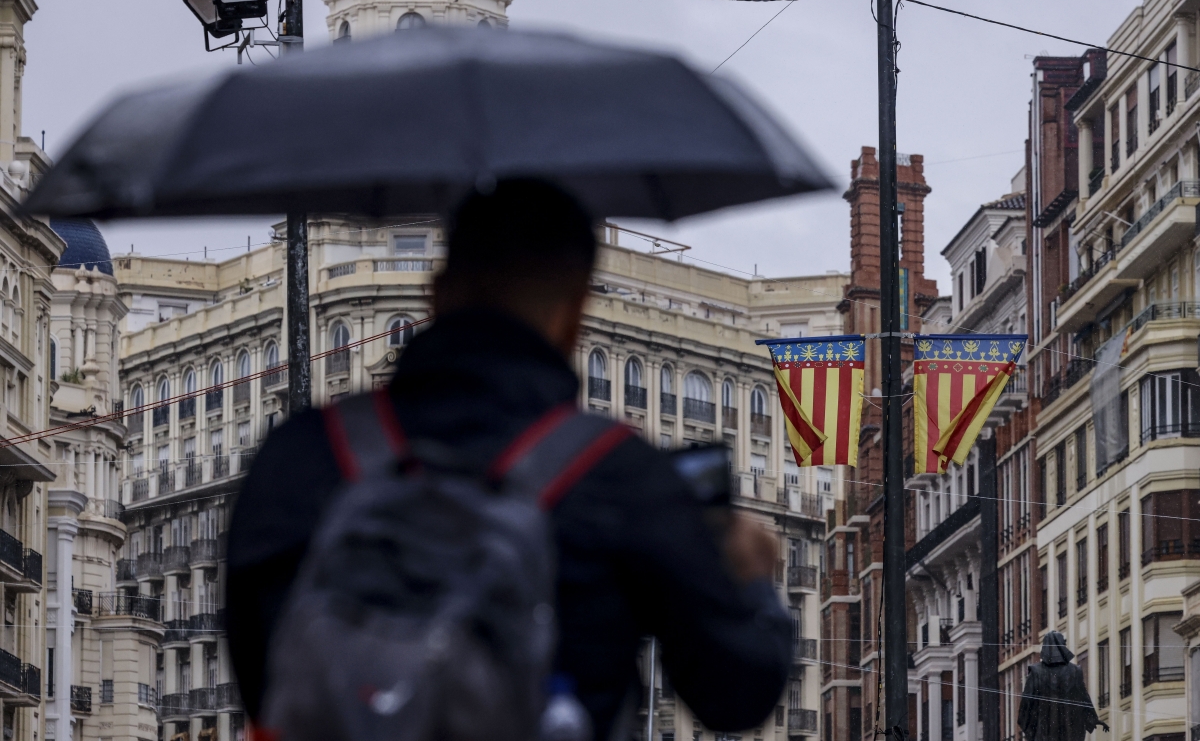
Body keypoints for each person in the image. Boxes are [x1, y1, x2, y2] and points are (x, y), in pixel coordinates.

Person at [226, 179, 792, 740]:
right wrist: (750, 580)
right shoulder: (616, 473)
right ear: (574, 312)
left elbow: (262, 673)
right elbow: (735, 694)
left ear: (438, 293)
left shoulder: (303, 452)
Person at [1017, 631, 1108, 741]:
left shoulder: (1036, 672)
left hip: (1045, 733)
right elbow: (1084, 699)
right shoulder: (1074, 671)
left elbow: (1026, 706)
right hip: (1069, 732)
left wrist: (1030, 728)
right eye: (1063, 643)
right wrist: (1092, 718)